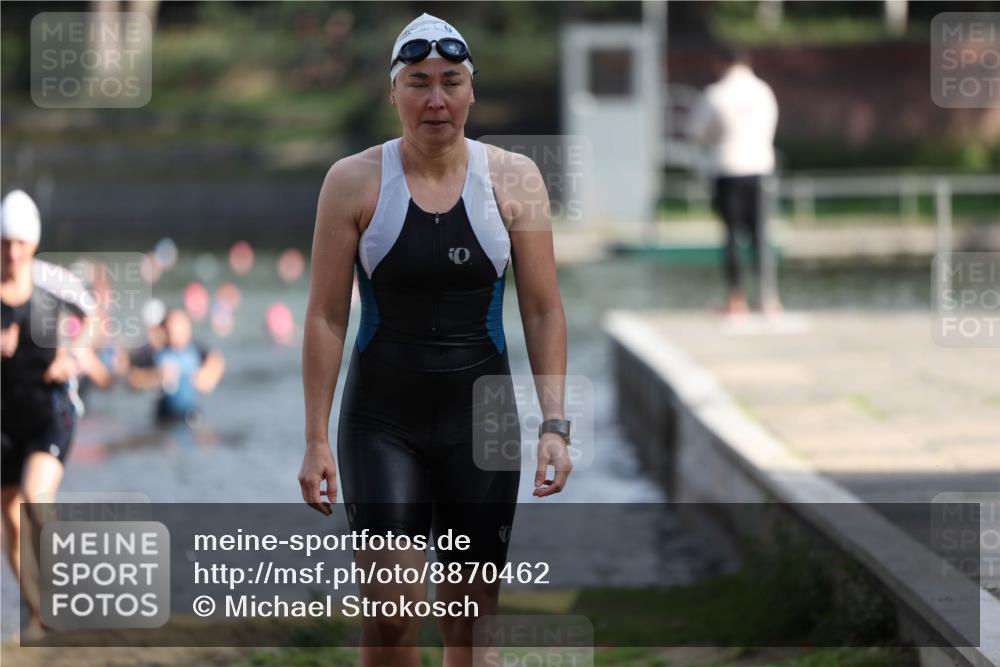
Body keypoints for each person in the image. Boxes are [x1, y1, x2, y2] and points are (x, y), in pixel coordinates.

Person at [300, 13, 571, 667]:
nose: (436, 100)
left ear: (472, 91)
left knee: (470, 625)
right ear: (393, 92)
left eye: (451, 81)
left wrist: (555, 424)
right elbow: (326, 316)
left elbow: (542, 310)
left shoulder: (514, 179)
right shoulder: (352, 181)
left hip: (483, 423)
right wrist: (315, 437)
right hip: (381, 421)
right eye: (418, 82)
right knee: (392, 616)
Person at [0, 189, 92, 638]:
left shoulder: (51, 280)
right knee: (12, 524)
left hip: (49, 410)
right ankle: (39, 612)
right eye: (4, 243)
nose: (12, 253)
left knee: (37, 499)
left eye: (20, 243)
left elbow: (94, 316)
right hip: (4, 421)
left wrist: (72, 354)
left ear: (33, 242)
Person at [687, 45, 781, 314]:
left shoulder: (716, 94)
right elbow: (771, 126)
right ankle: (768, 298)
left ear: (721, 63)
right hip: (760, 166)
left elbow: (697, 131)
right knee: (761, 235)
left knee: (731, 236)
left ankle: (735, 299)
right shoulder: (763, 91)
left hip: (727, 169)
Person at [127, 308, 225, 426]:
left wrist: (209, 376)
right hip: (165, 415)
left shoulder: (196, 350)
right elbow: (133, 379)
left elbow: (216, 359)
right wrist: (156, 376)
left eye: (180, 325)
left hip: (192, 414)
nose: (175, 330)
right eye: (172, 325)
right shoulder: (156, 352)